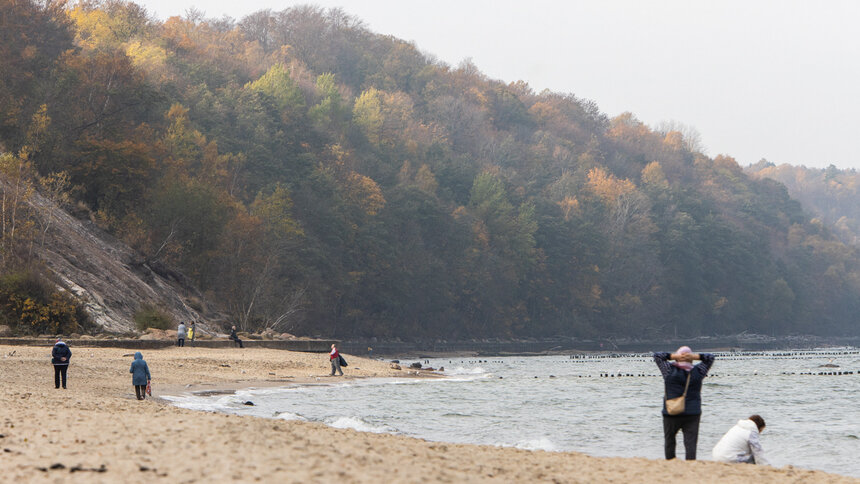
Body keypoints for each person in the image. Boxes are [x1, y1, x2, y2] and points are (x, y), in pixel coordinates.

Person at [654, 346, 715, 460]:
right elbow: (710, 358)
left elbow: (657, 356)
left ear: (677, 358)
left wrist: (673, 356)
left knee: (670, 440)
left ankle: (671, 461)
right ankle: (690, 464)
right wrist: (695, 356)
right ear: (691, 359)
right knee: (690, 442)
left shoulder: (668, 370)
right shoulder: (699, 371)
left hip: (671, 411)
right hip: (692, 412)